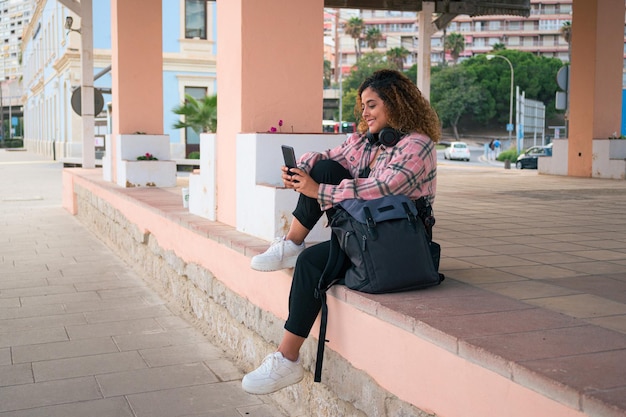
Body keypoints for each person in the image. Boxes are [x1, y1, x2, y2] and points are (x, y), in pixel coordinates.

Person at [243, 69, 441, 395]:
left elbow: (386, 186)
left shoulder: (418, 145)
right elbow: (327, 157)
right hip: (365, 235)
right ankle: (286, 359)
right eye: (363, 106)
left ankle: (292, 242)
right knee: (309, 261)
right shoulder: (365, 142)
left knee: (321, 190)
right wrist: (302, 170)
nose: (365, 113)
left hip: (399, 243)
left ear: (396, 104)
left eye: (372, 105)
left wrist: (318, 190)